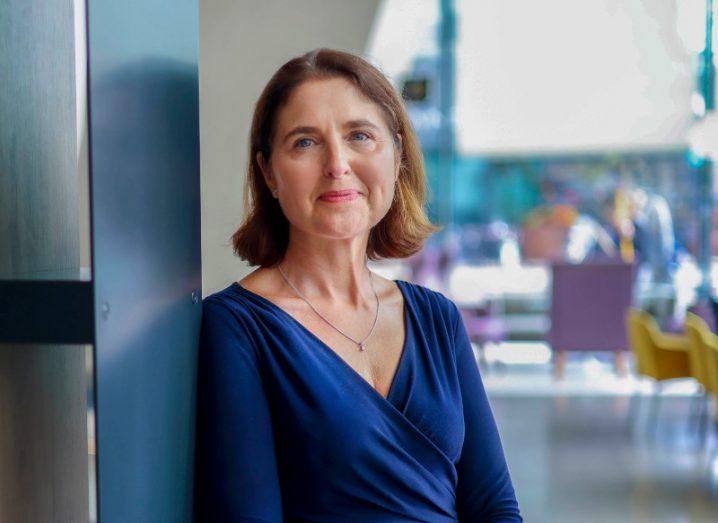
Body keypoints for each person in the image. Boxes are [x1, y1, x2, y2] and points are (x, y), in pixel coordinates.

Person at [195, 48, 521, 522]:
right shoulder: (237, 326)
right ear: (269, 173)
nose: (337, 164)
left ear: (397, 157)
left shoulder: (436, 318)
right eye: (305, 142)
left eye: (360, 136)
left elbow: (495, 506)